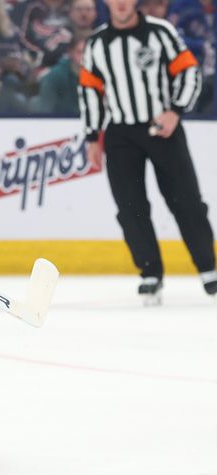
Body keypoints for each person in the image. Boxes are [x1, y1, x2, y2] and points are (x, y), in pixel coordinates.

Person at [78, 0, 217, 302]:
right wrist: (92, 136)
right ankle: (150, 272)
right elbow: (89, 90)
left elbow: (189, 71)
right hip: (120, 133)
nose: (122, 3)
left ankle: (208, 268)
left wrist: (175, 110)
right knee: (130, 207)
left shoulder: (161, 32)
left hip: (162, 127)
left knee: (186, 201)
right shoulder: (98, 42)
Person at [33, 35, 85, 113]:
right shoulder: (54, 77)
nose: (84, 56)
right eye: (80, 52)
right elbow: (45, 112)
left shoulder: (99, 75)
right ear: (70, 52)